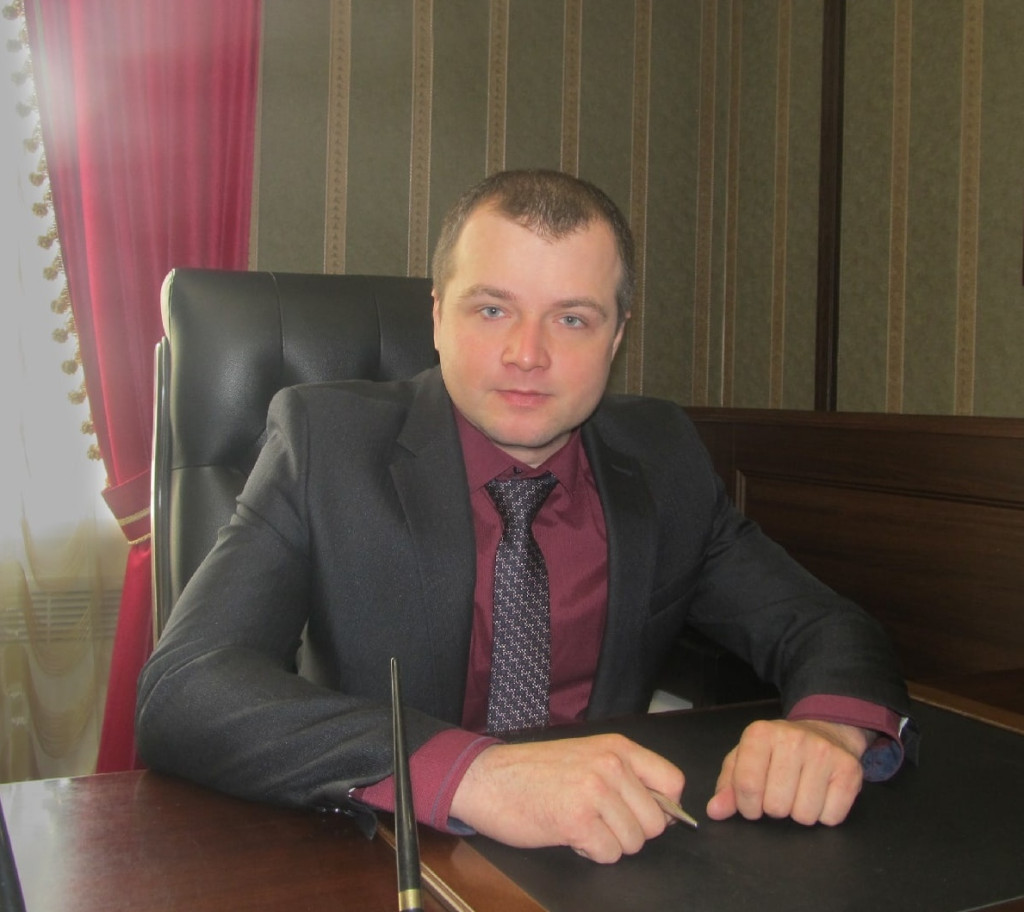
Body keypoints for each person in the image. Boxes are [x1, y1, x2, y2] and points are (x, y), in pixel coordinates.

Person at [136, 169, 915, 864]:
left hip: (605, 855)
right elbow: (187, 687)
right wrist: (475, 772)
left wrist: (828, 731)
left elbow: (821, 625)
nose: (527, 355)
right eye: (492, 309)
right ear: (437, 317)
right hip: (387, 856)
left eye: (572, 319)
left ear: (617, 335)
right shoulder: (325, 443)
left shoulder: (661, 456)